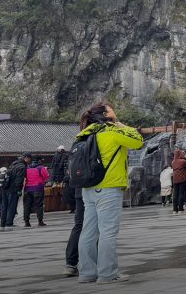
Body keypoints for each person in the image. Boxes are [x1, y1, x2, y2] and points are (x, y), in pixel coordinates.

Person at [76, 102, 144, 283]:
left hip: (88, 188)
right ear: (106, 115)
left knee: (88, 232)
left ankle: (87, 273)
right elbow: (138, 141)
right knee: (108, 232)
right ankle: (107, 274)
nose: (115, 111)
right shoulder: (111, 132)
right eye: (112, 110)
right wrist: (119, 123)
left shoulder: (84, 133)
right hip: (109, 188)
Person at [0, 154, 27, 230]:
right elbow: (19, 179)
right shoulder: (21, 167)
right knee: (12, 206)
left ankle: (2, 223)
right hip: (13, 189)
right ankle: (9, 223)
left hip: (5, 188)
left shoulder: (12, 165)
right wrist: (19, 190)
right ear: (26, 158)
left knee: (4, 206)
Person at [23, 155, 50, 226]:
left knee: (27, 206)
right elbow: (46, 176)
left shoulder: (27, 168)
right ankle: (40, 221)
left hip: (27, 189)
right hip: (38, 188)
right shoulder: (41, 168)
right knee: (39, 206)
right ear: (40, 161)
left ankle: (26, 222)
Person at [64, 182, 83, 275]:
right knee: (100, 227)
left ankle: (71, 263)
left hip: (80, 190)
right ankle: (99, 264)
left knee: (79, 225)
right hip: (99, 190)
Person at [51, 145, 73, 213]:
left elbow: (53, 163)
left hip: (55, 173)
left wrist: (53, 168)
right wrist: (60, 167)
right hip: (61, 174)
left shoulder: (55, 155)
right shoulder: (64, 155)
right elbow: (61, 164)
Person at [171, 149, 186, 214]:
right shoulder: (183, 161)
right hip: (181, 178)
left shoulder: (173, 162)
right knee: (181, 194)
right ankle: (180, 209)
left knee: (175, 194)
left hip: (175, 179)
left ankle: (175, 209)